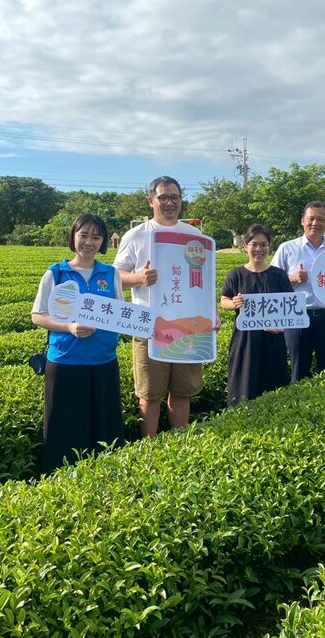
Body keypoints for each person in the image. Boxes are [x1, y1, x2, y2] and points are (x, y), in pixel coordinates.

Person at [31, 213, 124, 474]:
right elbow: (38, 315)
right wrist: (69, 327)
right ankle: (60, 480)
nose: (89, 242)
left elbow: (120, 313)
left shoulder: (111, 274)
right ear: (73, 237)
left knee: (104, 427)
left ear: (103, 241)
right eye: (83, 235)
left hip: (103, 362)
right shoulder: (56, 273)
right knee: (64, 429)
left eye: (96, 237)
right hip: (65, 362)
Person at [115, 176, 203, 437]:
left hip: (187, 326)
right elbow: (115, 276)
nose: (169, 203)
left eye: (175, 197)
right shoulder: (136, 235)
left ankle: (180, 444)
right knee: (149, 394)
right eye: (163, 197)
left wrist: (211, 314)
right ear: (150, 201)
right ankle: (149, 448)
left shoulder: (194, 235)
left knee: (182, 391)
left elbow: (204, 281)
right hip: (148, 326)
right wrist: (138, 278)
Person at [221, 224, 293, 406]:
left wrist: (282, 327)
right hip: (244, 341)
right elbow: (224, 300)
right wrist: (234, 303)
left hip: (273, 340)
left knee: (274, 390)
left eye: (264, 245)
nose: (259, 249)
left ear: (269, 247)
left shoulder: (279, 275)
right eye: (254, 244)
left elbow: (289, 307)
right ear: (245, 246)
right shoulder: (235, 275)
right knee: (244, 388)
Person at [271, 200, 325, 381]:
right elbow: (271, 284)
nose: (315, 223)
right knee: (298, 371)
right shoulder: (287, 248)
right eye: (311, 218)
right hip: (297, 317)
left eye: (321, 219)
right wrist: (293, 279)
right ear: (303, 221)